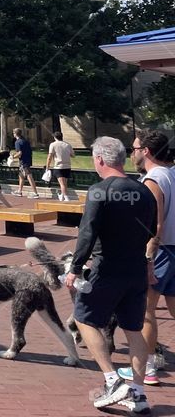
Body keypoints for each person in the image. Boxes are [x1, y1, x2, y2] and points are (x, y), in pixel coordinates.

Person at [67, 136, 156, 413]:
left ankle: (111, 378)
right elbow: (151, 230)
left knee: (84, 318)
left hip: (106, 267)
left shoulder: (99, 191)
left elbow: (87, 233)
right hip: (136, 268)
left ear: (100, 160)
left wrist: (74, 268)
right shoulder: (144, 191)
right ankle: (138, 395)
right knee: (133, 330)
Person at [117, 129, 175, 387]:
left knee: (146, 312)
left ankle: (147, 368)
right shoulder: (173, 174)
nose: (132, 153)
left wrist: (148, 258)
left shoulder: (152, 180)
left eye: (135, 148)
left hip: (160, 251)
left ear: (146, 152)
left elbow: (154, 226)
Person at [46, 131, 74, 201]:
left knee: (62, 183)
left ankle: (66, 197)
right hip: (67, 166)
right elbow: (73, 155)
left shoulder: (53, 144)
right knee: (64, 183)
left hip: (59, 166)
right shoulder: (67, 145)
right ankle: (62, 195)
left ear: (55, 137)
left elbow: (50, 156)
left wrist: (47, 166)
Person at [12, 128, 40, 198]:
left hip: (23, 161)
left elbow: (19, 153)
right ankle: (19, 191)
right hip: (28, 159)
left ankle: (35, 193)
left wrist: (13, 157)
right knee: (21, 176)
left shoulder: (17, 142)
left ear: (15, 134)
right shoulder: (25, 141)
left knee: (29, 176)